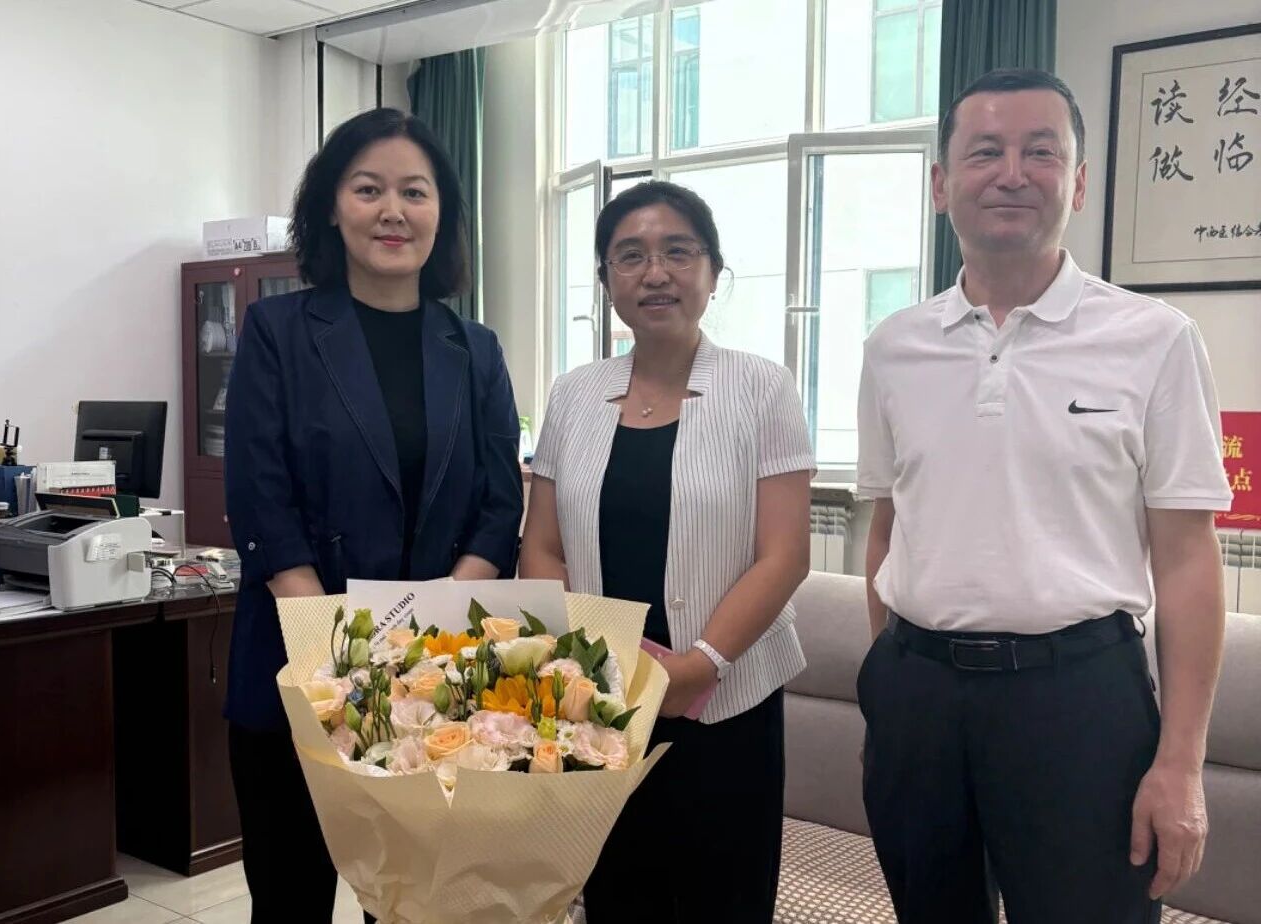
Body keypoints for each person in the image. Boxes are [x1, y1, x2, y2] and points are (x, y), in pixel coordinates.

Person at [856, 68, 1232, 924]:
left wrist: (1181, 763)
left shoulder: (1154, 339)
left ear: (1079, 182)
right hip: (918, 695)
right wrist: (888, 687)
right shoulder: (894, 346)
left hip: (1079, 698)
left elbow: (1185, 559)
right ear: (942, 184)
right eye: (985, 151)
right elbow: (887, 525)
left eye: (1041, 152)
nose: (1012, 173)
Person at [223, 108, 523, 922]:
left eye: (414, 192)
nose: (393, 211)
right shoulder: (277, 331)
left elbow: (501, 503)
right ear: (331, 206)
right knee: (289, 898)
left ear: (442, 213)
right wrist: (339, 654)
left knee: (416, 903)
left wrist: (430, 630)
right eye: (369, 189)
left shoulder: (477, 350)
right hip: (296, 667)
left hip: (435, 676)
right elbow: (260, 496)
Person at [519, 181, 814, 922]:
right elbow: (543, 546)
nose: (656, 273)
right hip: (604, 704)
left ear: (712, 271)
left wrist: (699, 666)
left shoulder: (762, 388)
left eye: (678, 252)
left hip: (728, 704)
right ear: (606, 280)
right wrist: (582, 666)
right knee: (618, 896)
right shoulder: (574, 394)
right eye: (631, 256)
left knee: (725, 902)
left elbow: (784, 555)